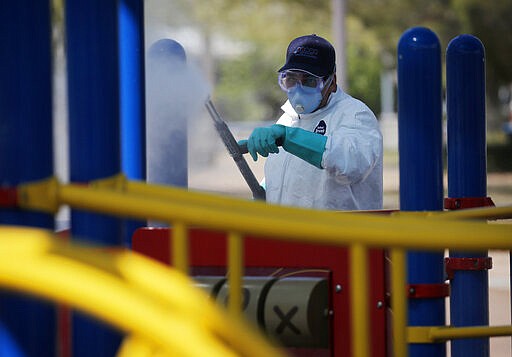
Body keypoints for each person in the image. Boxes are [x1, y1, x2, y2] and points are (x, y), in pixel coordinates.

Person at [239, 34, 383, 210]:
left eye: (309, 81)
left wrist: (287, 137)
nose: (298, 89)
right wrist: (267, 191)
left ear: (332, 81)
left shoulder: (354, 114)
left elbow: (352, 162)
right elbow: (291, 178)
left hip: (338, 235)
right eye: (291, 79)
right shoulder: (288, 118)